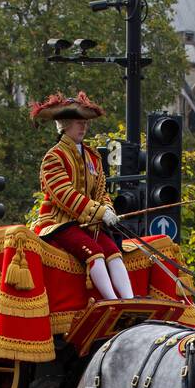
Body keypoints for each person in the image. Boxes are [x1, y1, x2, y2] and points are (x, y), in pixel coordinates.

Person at [29, 92, 134, 302]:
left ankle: (130, 300)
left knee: (113, 251)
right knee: (94, 252)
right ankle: (113, 301)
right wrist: (100, 212)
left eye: (85, 122)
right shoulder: (54, 157)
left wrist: (108, 209)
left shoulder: (93, 157)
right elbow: (64, 195)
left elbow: (101, 191)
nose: (84, 127)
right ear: (65, 124)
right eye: (79, 122)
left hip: (89, 224)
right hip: (59, 224)